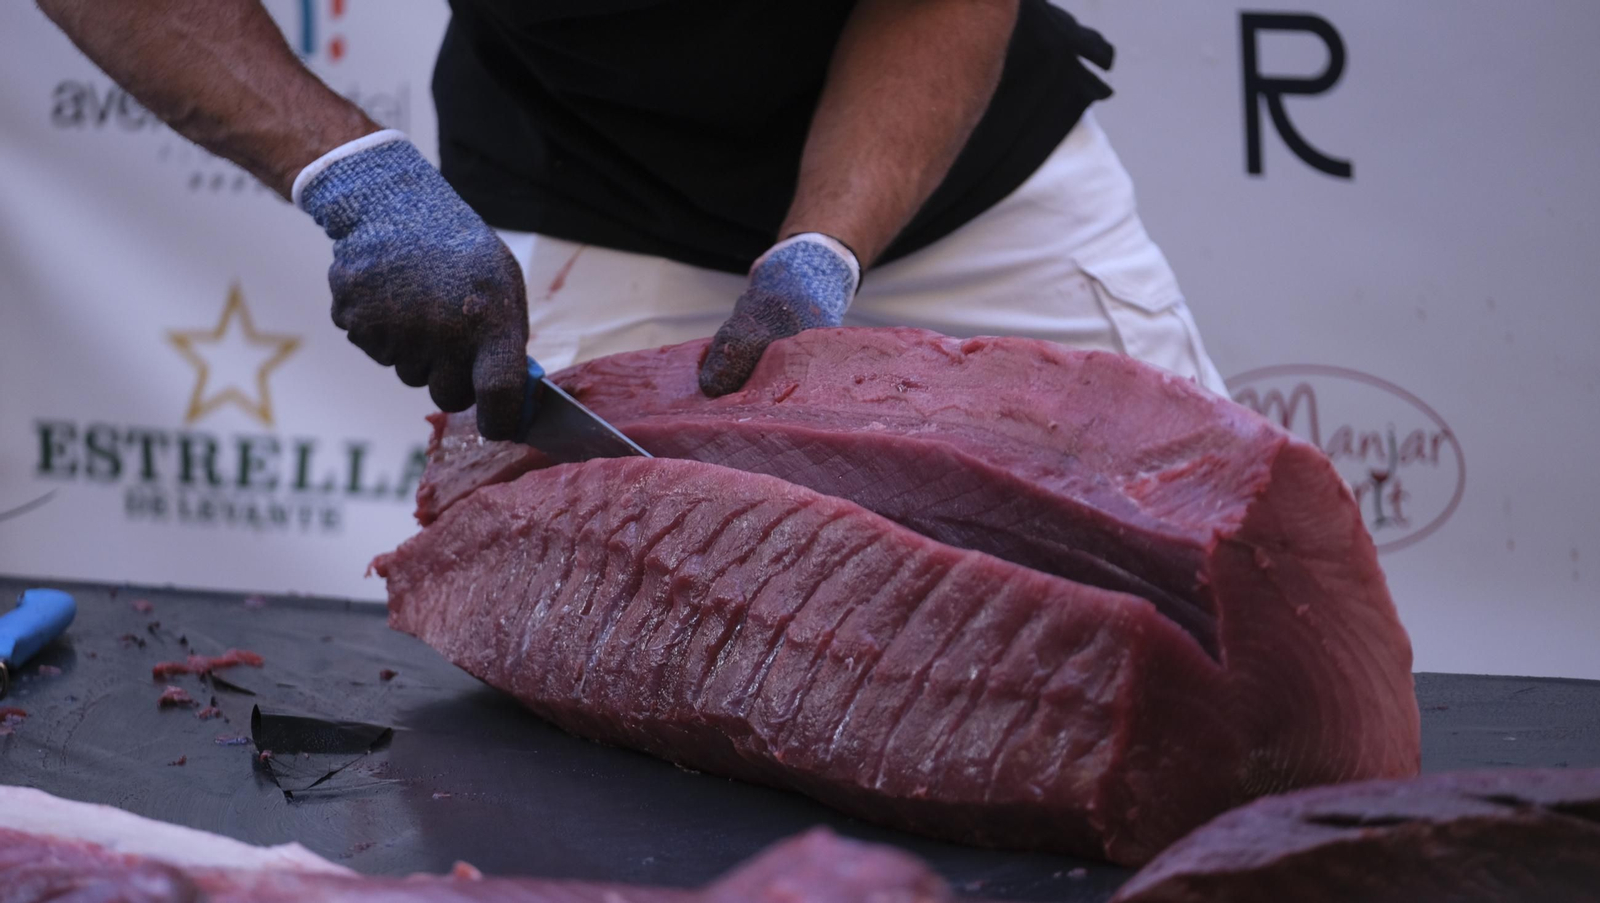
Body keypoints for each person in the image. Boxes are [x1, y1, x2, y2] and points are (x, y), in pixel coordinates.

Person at [38, 0, 1226, 442]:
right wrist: (354, 179)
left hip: (968, 184)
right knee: (618, 641)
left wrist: (822, 248)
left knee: (1201, 557)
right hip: (595, 171)